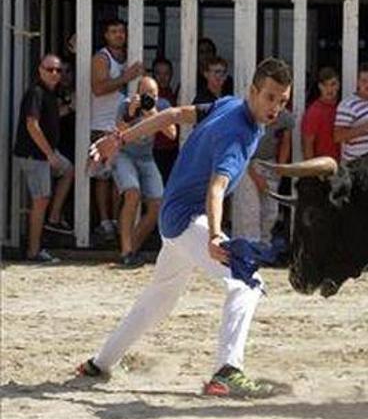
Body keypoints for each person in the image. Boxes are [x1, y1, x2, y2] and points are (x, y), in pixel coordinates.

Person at [77, 58, 293, 397]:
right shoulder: (240, 133)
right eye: (269, 97)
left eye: (282, 101)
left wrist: (120, 138)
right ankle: (227, 372)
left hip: (174, 219)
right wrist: (215, 235)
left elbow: (175, 115)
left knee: (158, 301)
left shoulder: (230, 104)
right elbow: (217, 187)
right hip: (188, 220)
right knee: (246, 282)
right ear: (253, 91)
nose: (275, 108)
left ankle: (99, 363)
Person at [13, 54, 75, 263]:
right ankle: (33, 251)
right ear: (40, 70)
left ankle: (54, 217)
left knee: (68, 170)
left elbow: (51, 116)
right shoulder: (36, 93)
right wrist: (49, 153)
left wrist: (70, 108)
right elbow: (32, 124)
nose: (55, 74)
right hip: (35, 155)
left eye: (58, 70)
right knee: (41, 201)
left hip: (44, 153)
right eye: (50, 70)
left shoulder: (48, 93)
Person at [91, 18, 144, 242]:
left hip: (122, 126)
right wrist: (126, 77)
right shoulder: (102, 57)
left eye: (122, 31)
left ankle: (115, 221)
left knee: (119, 178)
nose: (119, 35)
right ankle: (105, 222)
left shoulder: (128, 56)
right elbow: (98, 88)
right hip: (103, 126)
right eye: (114, 31)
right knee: (103, 177)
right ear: (106, 35)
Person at [113, 77, 176, 268]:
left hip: (146, 157)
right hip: (125, 155)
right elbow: (119, 132)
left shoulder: (162, 106)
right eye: (147, 94)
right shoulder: (125, 104)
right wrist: (131, 113)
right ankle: (126, 251)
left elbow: (172, 134)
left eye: (154, 94)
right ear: (138, 93)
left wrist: (153, 114)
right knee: (132, 194)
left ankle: (131, 247)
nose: (151, 98)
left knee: (157, 205)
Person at [232, 93, 296, 245]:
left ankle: (264, 247)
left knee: (271, 211)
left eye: (282, 101)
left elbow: (285, 142)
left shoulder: (285, 117)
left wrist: (280, 168)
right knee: (250, 210)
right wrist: (256, 176)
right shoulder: (248, 114)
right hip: (248, 163)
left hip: (270, 163)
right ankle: (250, 249)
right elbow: (240, 148)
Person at [334, 63, 368, 162]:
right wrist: (364, 129)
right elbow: (337, 136)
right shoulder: (348, 105)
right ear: (358, 82)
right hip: (357, 165)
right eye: (364, 81)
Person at [302, 67, 341, 161]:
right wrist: (312, 172)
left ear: (338, 85)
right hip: (323, 167)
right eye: (325, 85)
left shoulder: (343, 107)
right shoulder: (314, 111)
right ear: (319, 86)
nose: (329, 89)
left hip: (343, 165)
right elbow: (307, 145)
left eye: (333, 84)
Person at [152, 57, 179, 183]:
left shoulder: (177, 95)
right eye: (158, 73)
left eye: (166, 74)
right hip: (155, 149)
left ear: (171, 75)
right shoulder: (150, 98)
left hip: (173, 149)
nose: (162, 77)